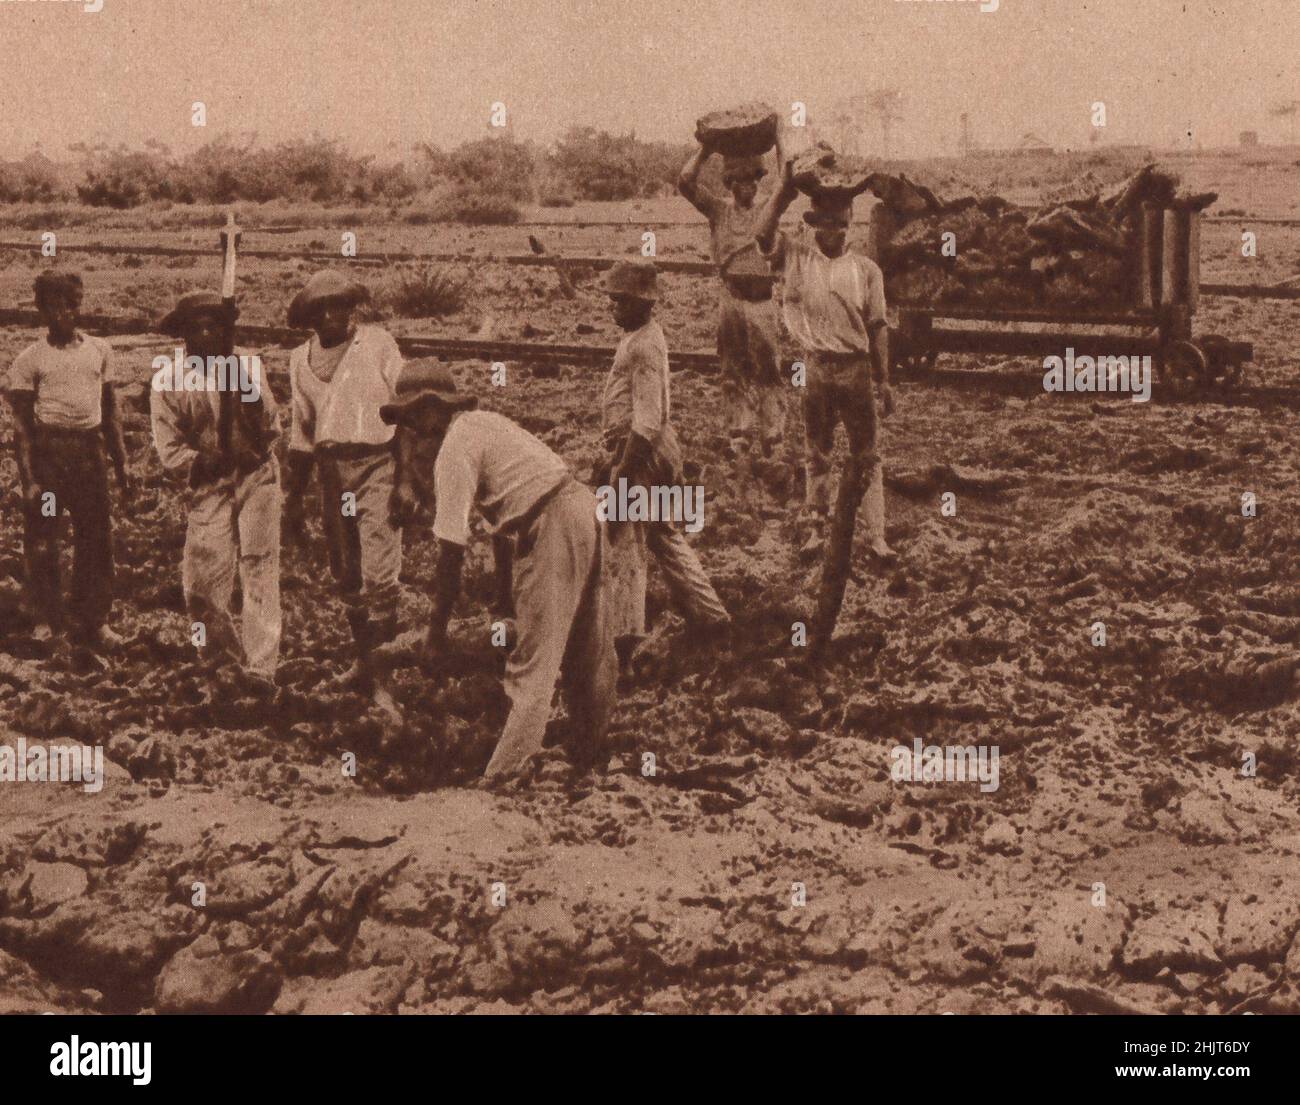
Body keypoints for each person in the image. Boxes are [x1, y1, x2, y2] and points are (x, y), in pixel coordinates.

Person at [379, 362, 616, 783]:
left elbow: (450, 552)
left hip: (552, 521)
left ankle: (504, 775)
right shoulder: (482, 425)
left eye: (415, 414)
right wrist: (504, 603)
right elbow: (499, 533)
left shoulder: (454, 449)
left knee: (533, 665)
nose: (412, 427)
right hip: (583, 507)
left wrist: (436, 633)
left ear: (435, 407)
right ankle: (589, 756)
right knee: (588, 647)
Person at [755, 156, 895, 655]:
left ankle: (876, 536)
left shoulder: (866, 270)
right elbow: (761, 232)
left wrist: (883, 381)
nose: (833, 231)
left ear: (849, 225)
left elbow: (878, 328)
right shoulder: (795, 257)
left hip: (855, 370)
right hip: (816, 367)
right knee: (816, 453)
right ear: (813, 224)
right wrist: (785, 190)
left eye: (841, 223)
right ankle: (816, 527)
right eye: (825, 223)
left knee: (868, 456)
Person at [282, 271, 409, 718]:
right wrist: (293, 499)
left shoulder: (377, 345)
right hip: (332, 472)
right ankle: (364, 661)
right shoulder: (300, 360)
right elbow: (302, 432)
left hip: (377, 462)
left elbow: (406, 410)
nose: (335, 316)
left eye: (342, 306)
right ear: (310, 317)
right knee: (347, 573)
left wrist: (407, 478)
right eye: (324, 309)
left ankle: (384, 678)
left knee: (380, 573)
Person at [149, 292, 282, 693]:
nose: (207, 334)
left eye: (215, 326)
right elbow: (169, 449)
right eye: (197, 327)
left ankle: (261, 669)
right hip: (208, 485)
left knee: (259, 569)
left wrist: (241, 387)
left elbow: (271, 426)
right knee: (201, 582)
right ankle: (221, 660)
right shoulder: (168, 381)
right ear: (184, 334)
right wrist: (203, 459)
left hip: (256, 476)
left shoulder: (246, 367)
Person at [596, 260, 729, 657]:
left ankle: (626, 638)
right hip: (654, 452)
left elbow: (648, 420)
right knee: (663, 535)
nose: (613, 309)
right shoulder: (639, 336)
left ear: (643, 303)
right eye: (612, 301)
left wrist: (622, 470)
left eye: (621, 302)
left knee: (627, 539)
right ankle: (711, 614)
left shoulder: (645, 346)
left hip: (643, 453)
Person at [3, 271, 131, 653]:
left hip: (89, 457)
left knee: (95, 537)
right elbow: (22, 428)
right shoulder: (29, 360)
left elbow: (111, 412)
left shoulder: (100, 351)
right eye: (55, 305)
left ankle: (93, 620)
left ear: (80, 304)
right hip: (49, 459)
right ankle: (46, 618)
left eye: (72, 304)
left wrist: (121, 462)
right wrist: (29, 480)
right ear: (41, 309)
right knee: (44, 535)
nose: (65, 313)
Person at [679, 135, 787, 511]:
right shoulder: (719, 211)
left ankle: (774, 442)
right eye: (740, 181)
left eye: (754, 180)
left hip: (762, 303)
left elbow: (787, 181)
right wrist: (706, 150)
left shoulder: (769, 207)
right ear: (730, 183)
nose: (749, 187)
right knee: (732, 372)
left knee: (769, 372)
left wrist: (778, 141)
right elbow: (685, 183)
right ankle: (739, 439)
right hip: (731, 300)